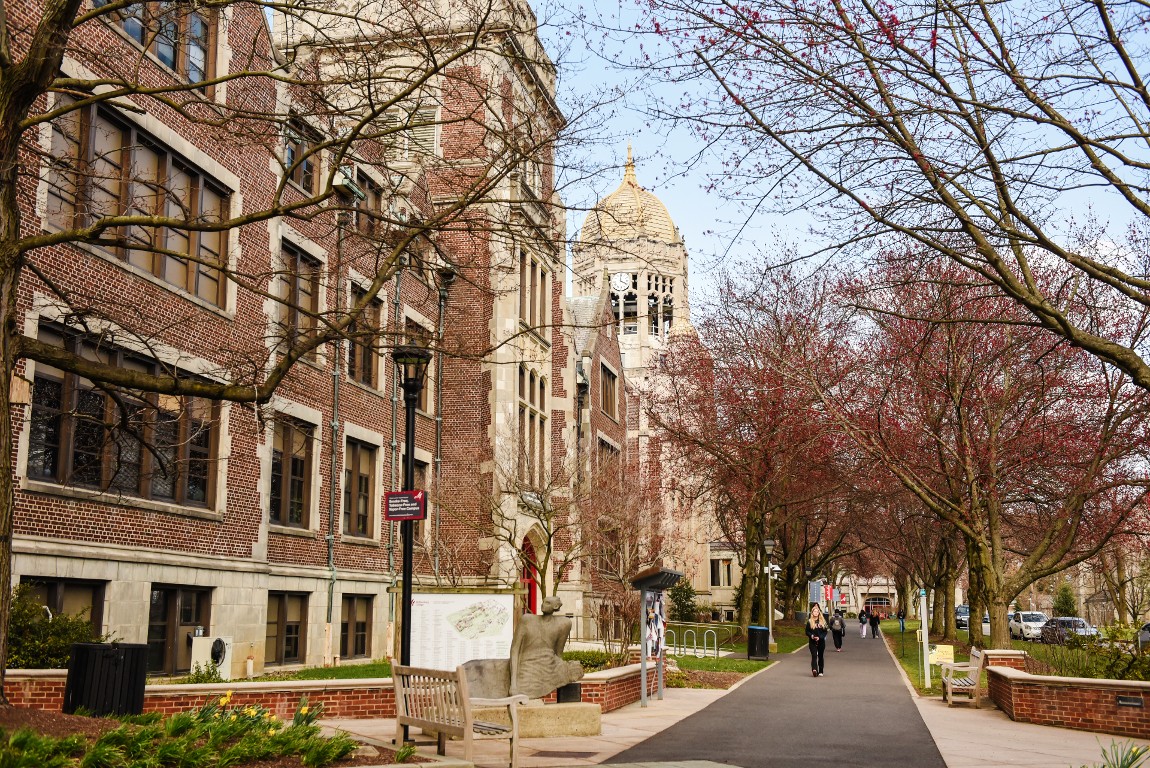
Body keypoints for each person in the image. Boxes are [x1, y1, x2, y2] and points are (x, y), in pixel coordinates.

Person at [509, 595, 584, 698]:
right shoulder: (527, 619)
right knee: (526, 687)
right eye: (543, 602)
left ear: (556, 606)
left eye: (547, 603)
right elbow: (514, 649)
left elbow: (558, 654)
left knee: (574, 669)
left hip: (549, 666)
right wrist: (513, 684)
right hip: (527, 667)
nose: (543, 605)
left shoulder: (564, 624)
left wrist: (562, 669)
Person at [805, 603, 828, 676]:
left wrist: (820, 637)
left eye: (817, 612)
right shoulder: (809, 621)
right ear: (812, 613)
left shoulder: (822, 621)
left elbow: (825, 631)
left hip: (821, 642)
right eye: (814, 611)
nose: (815, 613)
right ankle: (814, 669)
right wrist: (811, 636)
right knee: (814, 655)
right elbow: (807, 631)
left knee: (820, 656)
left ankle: (821, 671)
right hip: (812, 641)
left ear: (819, 613)